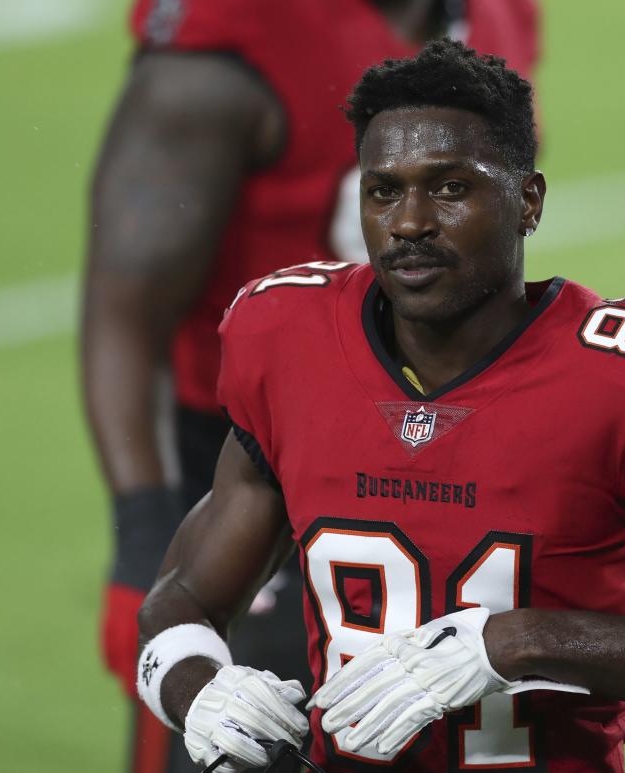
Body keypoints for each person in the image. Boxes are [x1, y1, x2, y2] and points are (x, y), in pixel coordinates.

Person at [134, 40, 625, 773]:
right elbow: (181, 599)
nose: (409, 222)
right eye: (384, 190)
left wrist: (516, 642)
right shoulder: (286, 341)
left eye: (451, 188)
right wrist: (198, 689)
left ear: (528, 201)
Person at [81, 2, 539, 770]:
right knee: (236, 737)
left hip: (447, 455)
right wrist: (143, 538)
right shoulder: (233, 43)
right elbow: (125, 313)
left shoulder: (499, 17)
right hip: (255, 462)